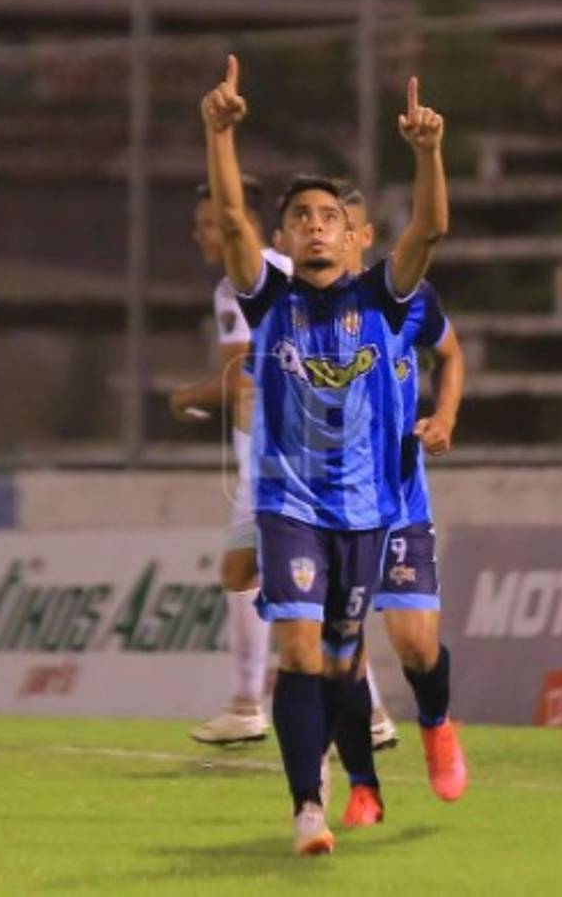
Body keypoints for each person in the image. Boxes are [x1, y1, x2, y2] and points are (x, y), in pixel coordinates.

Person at [201, 53, 452, 856]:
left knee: (346, 664)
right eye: (299, 217)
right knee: (301, 650)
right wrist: (219, 137)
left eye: (327, 216)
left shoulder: (381, 297)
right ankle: (308, 806)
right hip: (288, 503)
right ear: (283, 239)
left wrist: (425, 153)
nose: (314, 224)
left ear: (352, 234)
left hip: (370, 507)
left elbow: (431, 230)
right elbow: (233, 222)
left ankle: (382, 767)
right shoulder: (268, 299)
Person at [170, 181, 399, 750]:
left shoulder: (244, 284)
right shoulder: (288, 267)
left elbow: (241, 368)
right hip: (299, 452)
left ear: (240, 221)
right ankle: (287, 705)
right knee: (247, 574)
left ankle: (268, 705)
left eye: (211, 221)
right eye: (199, 224)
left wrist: (185, 397)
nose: (204, 234)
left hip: (278, 458)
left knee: (292, 585)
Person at [333, 183, 467, 811]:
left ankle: (437, 724)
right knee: (341, 652)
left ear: (362, 237)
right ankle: (363, 787)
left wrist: (444, 415)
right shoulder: (300, 311)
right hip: (330, 507)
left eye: (343, 224)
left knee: (415, 644)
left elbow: (450, 354)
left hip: (399, 499)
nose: (329, 234)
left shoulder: (403, 298)